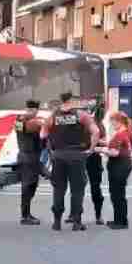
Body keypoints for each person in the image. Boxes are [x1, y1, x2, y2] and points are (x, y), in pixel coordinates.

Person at [41, 92, 100, 231]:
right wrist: (91, 149)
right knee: (77, 189)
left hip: (59, 155)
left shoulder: (52, 116)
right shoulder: (82, 115)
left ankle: (57, 222)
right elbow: (96, 132)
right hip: (77, 155)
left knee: (59, 189)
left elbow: (42, 134)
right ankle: (76, 222)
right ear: (72, 100)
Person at [15, 100, 45, 225]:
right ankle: (25, 216)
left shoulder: (19, 121)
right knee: (28, 187)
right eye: (33, 110)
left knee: (31, 186)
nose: (34, 112)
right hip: (29, 157)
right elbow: (37, 127)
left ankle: (26, 214)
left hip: (27, 156)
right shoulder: (30, 122)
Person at [104, 111, 132, 230]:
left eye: (112, 122)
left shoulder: (120, 134)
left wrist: (101, 150)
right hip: (122, 165)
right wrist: (106, 144)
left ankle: (121, 222)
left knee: (117, 194)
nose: (112, 125)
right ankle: (119, 219)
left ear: (118, 122)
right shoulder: (125, 132)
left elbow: (115, 152)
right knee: (118, 193)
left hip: (119, 166)